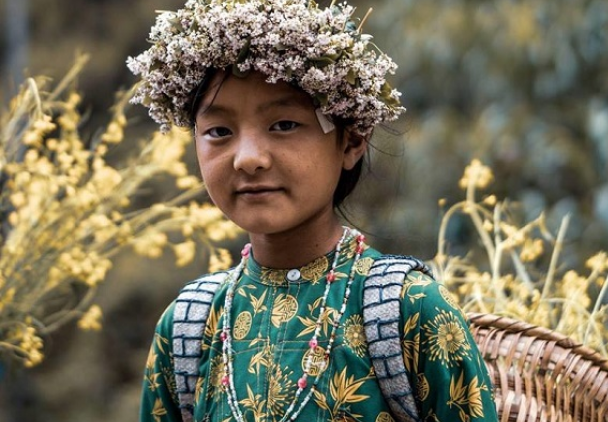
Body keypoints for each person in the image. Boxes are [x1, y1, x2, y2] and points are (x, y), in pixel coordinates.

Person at [128, 1, 498, 421]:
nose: (247, 158)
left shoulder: (411, 311)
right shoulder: (187, 330)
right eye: (218, 131)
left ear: (352, 141)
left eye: (284, 124)